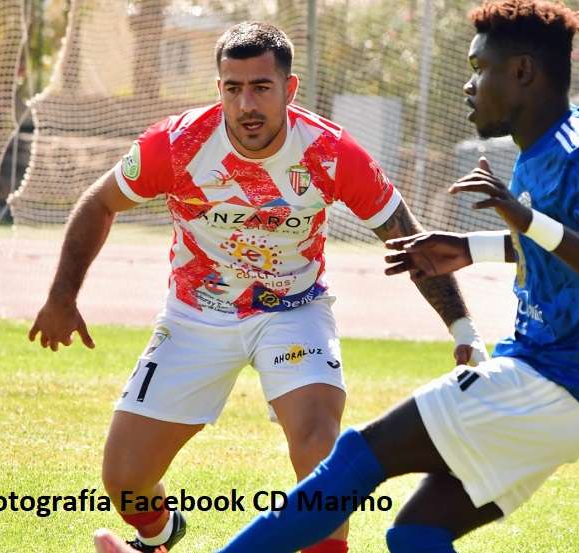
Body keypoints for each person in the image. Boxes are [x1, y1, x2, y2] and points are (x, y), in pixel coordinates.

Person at [92, 1, 579, 551]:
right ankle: (157, 532)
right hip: (554, 380)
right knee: (416, 533)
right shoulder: (538, 153)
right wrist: (474, 246)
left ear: (523, 71)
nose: (468, 85)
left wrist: (512, 234)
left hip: (554, 378)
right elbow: (564, 254)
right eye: (232, 87)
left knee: (352, 453)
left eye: (479, 68)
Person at [28, 21, 485, 553]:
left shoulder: (330, 153)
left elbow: (406, 235)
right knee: (124, 480)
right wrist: (62, 297)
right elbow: (100, 202)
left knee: (319, 444)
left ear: (289, 90)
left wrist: (462, 326)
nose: (246, 104)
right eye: (232, 88)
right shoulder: (177, 145)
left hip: (295, 309)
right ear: (219, 87)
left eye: (261, 88)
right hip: (195, 314)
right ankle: (158, 534)